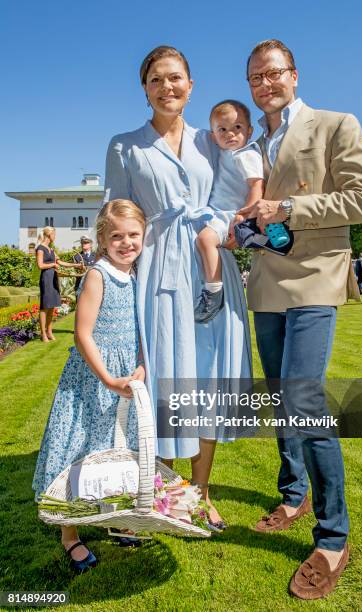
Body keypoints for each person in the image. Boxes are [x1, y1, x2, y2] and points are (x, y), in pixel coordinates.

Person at [240, 39, 362, 599]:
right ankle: (293, 493)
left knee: (304, 398)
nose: (265, 83)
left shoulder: (335, 124)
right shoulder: (251, 142)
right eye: (256, 77)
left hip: (317, 276)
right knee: (280, 396)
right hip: (267, 281)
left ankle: (333, 536)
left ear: (293, 76)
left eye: (274, 73)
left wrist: (291, 207)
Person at [104, 45, 252, 529]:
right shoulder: (125, 145)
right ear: (144, 89)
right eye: (156, 80)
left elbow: (235, 195)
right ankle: (159, 490)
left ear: (191, 85)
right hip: (158, 270)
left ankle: (202, 490)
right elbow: (118, 216)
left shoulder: (214, 140)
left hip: (210, 267)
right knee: (166, 377)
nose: (167, 87)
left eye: (176, 78)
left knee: (207, 378)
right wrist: (109, 276)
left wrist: (225, 228)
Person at [33, 199, 146, 571]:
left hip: (125, 375)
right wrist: (108, 378)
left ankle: (113, 517)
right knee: (79, 449)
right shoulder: (98, 274)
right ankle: (70, 535)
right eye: (117, 236)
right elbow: (83, 335)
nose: (126, 243)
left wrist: (141, 364)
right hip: (93, 378)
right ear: (102, 238)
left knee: (114, 450)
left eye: (134, 235)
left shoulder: (136, 273)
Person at [194, 100, 264, 322]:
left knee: (205, 240)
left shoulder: (246, 154)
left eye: (237, 128)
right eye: (222, 129)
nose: (230, 134)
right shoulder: (224, 153)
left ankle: (214, 291)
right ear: (214, 136)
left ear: (249, 131)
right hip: (217, 211)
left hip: (230, 214)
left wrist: (244, 217)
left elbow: (256, 185)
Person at [36, 227, 84, 343]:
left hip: (53, 278)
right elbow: (40, 265)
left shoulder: (51, 250)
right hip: (46, 278)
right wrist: (53, 264)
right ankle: (43, 334)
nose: (55, 237)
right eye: (54, 235)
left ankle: (49, 331)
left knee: (51, 306)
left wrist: (76, 265)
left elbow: (61, 262)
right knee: (44, 307)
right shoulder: (40, 249)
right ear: (49, 235)